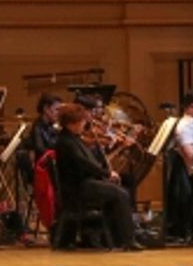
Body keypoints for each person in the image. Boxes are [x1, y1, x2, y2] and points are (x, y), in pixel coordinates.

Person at [53, 104, 140, 250]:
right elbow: (83, 163)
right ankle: (127, 240)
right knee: (120, 194)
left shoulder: (74, 139)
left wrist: (104, 171)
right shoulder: (65, 142)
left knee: (122, 188)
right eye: (81, 121)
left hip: (85, 183)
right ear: (71, 123)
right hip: (78, 188)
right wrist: (106, 173)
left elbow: (89, 161)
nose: (84, 124)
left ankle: (118, 239)